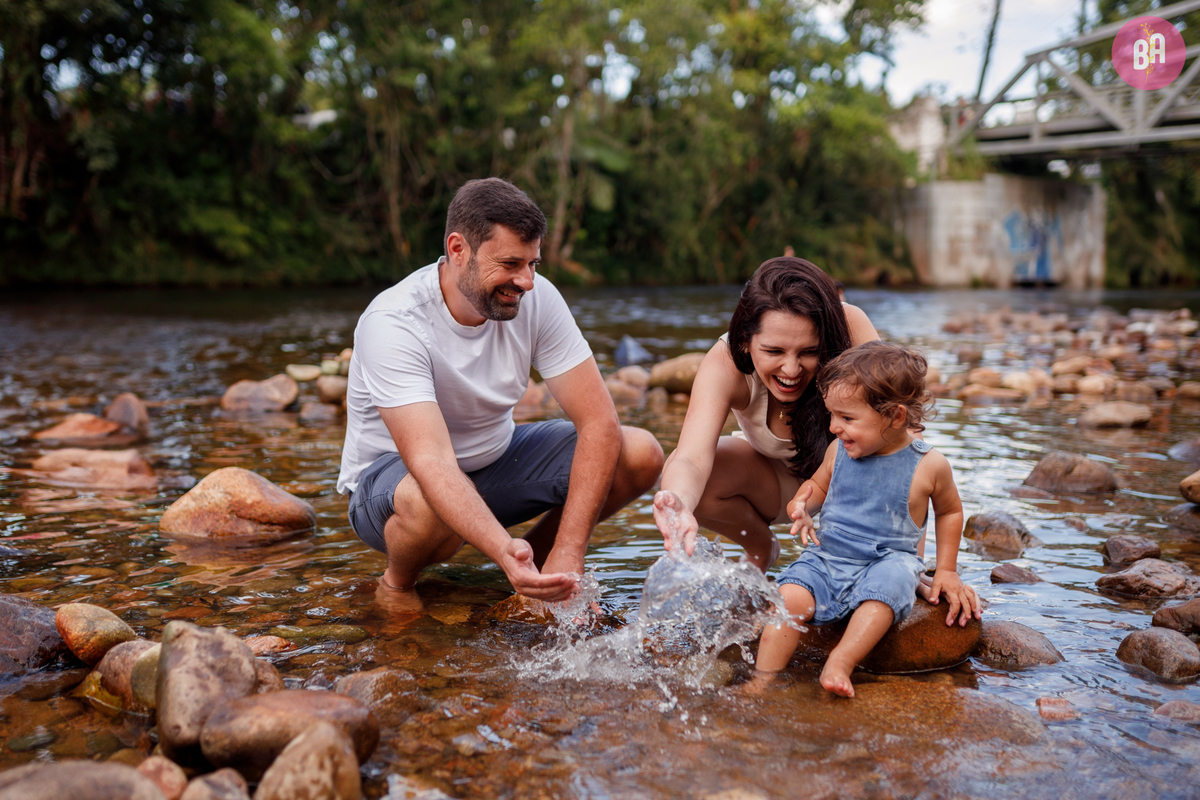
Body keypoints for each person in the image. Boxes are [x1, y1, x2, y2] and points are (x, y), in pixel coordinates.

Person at [337, 178, 663, 608]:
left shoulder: (537, 297)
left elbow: (599, 421)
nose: (526, 281)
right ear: (458, 250)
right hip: (395, 487)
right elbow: (431, 462)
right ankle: (397, 583)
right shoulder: (394, 321)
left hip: (494, 464)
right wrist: (500, 548)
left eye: (533, 264)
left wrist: (570, 549)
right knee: (432, 503)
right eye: (511, 263)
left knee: (639, 453)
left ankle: (539, 564)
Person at [754, 341, 978, 697]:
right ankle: (761, 682)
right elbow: (817, 487)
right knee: (788, 597)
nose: (834, 427)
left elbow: (949, 511)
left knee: (886, 590)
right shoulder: (838, 451)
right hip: (829, 557)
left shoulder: (928, 465)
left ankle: (841, 661)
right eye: (832, 415)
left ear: (895, 416)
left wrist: (947, 570)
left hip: (887, 560)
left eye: (846, 418)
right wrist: (801, 505)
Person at [651, 257, 879, 571]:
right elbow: (691, 457)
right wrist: (678, 504)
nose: (791, 369)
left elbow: (905, 444)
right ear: (745, 341)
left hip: (858, 484)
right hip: (784, 487)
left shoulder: (849, 326)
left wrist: (914, 563)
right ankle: (762, 548)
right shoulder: (724, 363)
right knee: (685, 479)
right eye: (774, 351)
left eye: (809, 352)